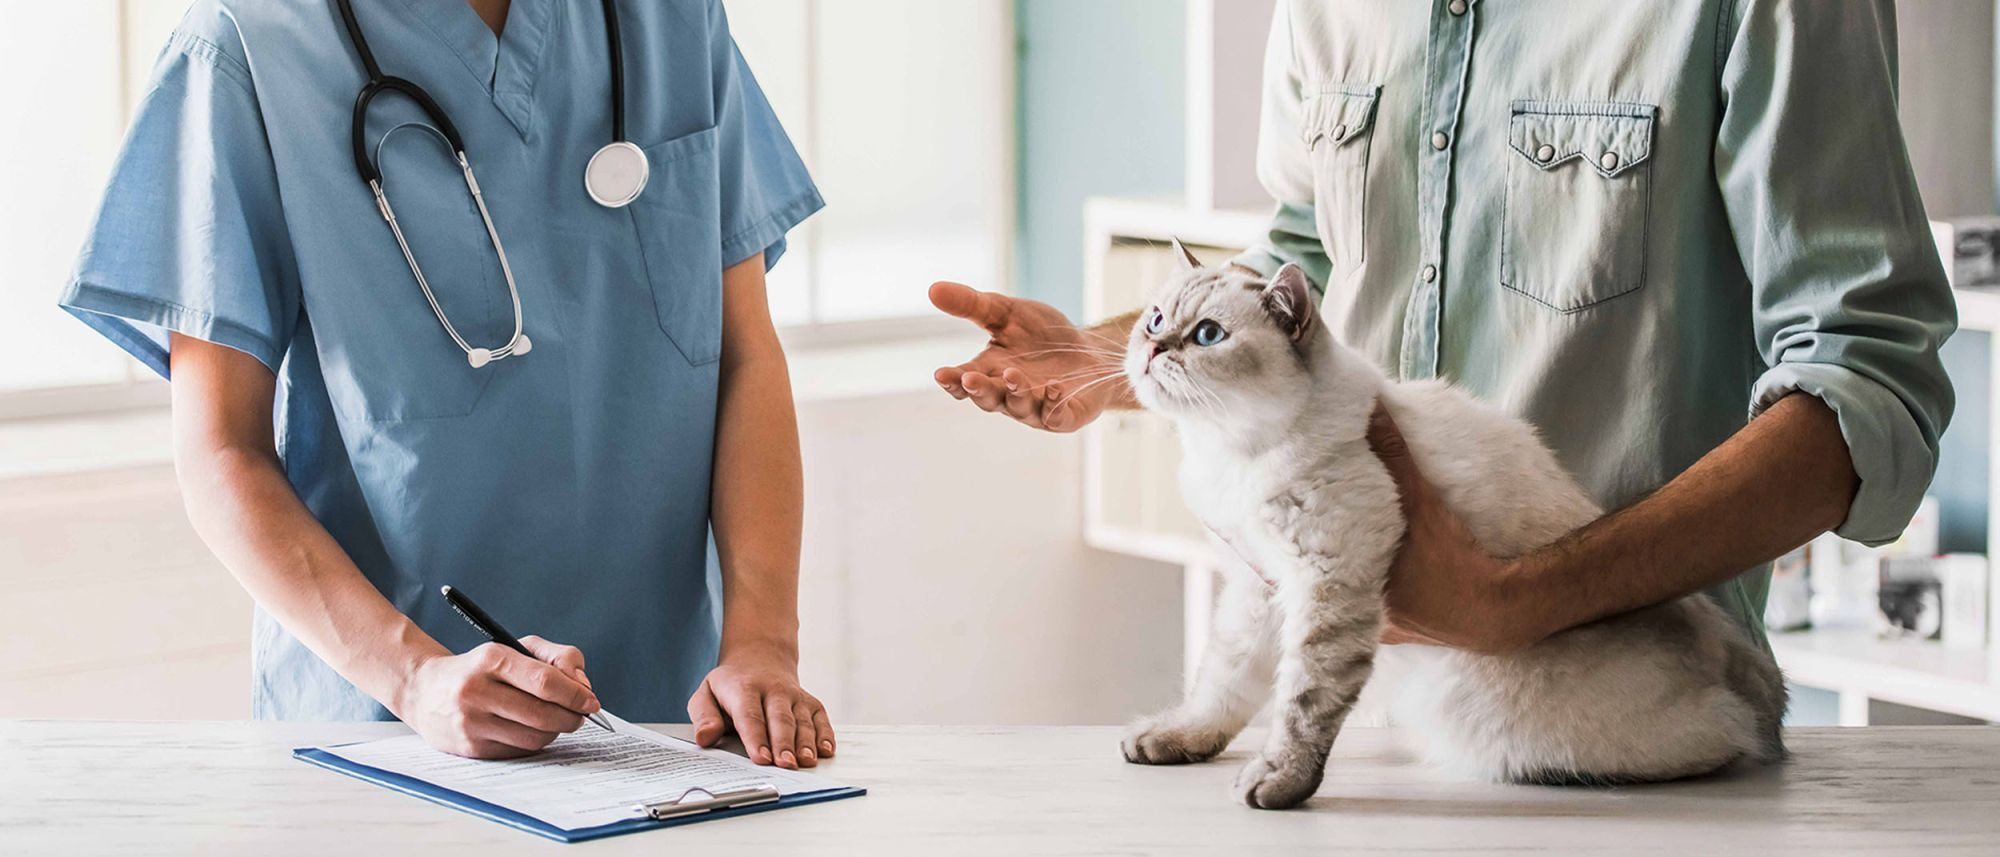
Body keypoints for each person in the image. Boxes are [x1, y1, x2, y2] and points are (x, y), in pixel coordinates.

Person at [930, 0, 1954, 653]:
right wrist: (1103, 361)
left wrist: (1514, 598)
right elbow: (1307, 257)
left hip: (1624, 730)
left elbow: (1867, 380)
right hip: (1343, 710)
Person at [59, 0, 834, 768]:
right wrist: (415, 676)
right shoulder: (248, 45)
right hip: (388, 732)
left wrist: (763, 641)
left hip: (674, 722)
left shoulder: (670, 20)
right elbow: (220, 450)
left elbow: (745, 355)